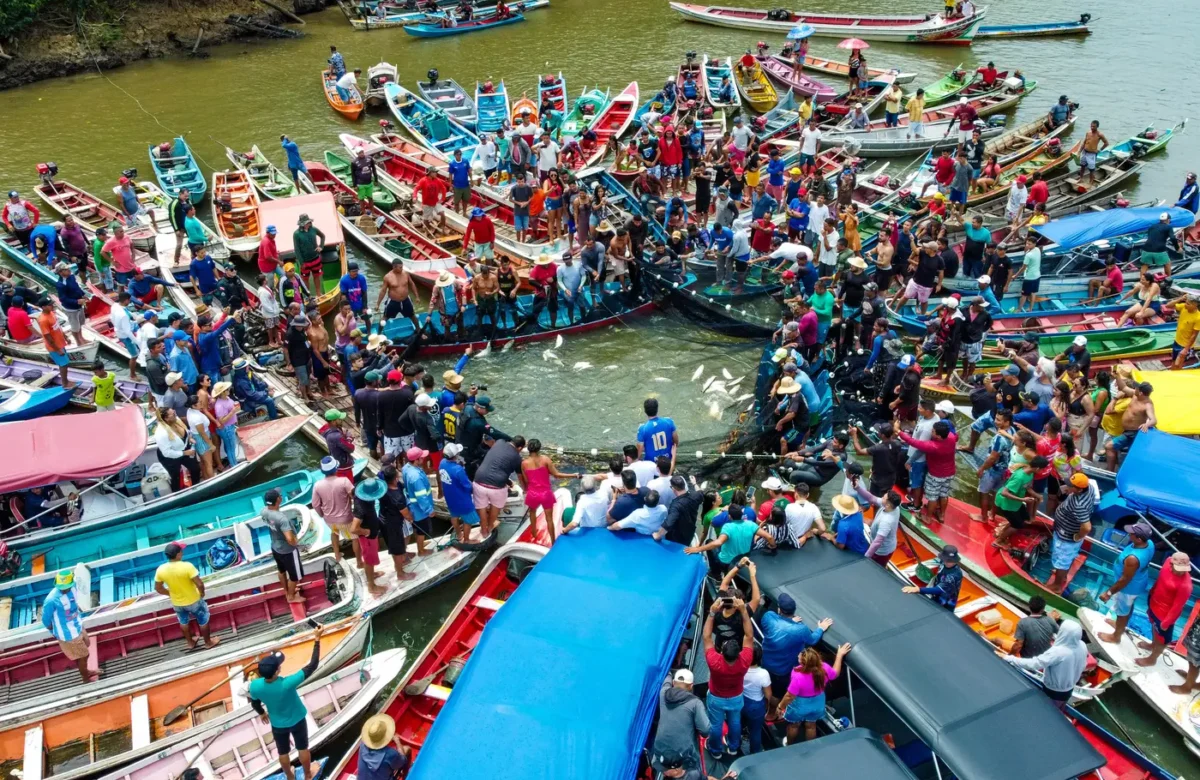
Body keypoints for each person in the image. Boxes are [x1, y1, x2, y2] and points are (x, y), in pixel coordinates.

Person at [248, 625, 326, 780]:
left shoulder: (254, 686)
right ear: (277, 671)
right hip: (297, 719)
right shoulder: (287, 683)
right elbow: (313, 665)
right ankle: (308, 774)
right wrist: (317, 639)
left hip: (278, 724)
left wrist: (262, 713)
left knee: (282, 753)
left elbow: (254, 702)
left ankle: (290, 777)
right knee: (302, 748)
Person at [702, 594, 753, 758]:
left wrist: (711, 613)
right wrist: (744, 612)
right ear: (738, 653)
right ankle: (733, 747)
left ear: (722, 652)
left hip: (717, 697)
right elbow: (749, 637)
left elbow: (707, 637)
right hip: (736, 697)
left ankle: (715, 750)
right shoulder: (745, 661)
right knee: (735, 722)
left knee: (716, 724)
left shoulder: (714, 661)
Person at [773, 643, 851, 744]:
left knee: (794, 725)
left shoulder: (797, 676)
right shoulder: (824, 668)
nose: (798, 656)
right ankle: (810, 746)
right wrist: (839, 655)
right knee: (811, 726)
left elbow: (789, 696)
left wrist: (780, 707)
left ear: (804, 663)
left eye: (799, 657)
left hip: (800, 706)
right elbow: (835, 673)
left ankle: (789, 744)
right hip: (818, 703)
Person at [1000, 621, 1087, 711]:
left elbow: (1034, 664)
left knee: (1048, 712)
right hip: (1068, 690)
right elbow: (1082, 665)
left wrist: (1009, 658)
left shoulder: (1057, 652)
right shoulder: (1082, 646)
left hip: (1053, 692)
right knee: (1059, 712)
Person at [1098, 521, 1156, 645]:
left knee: (1122, 611)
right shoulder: (1149, 543)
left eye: (1132, 534)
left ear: (1139, 539)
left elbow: (1124, 580)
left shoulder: (1132, 559)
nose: (1129, 534)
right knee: (1128, 607)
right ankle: (1120, 625)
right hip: (1139, 582)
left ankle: (1116, 636)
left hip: (1127, 588)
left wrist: (1108, 593)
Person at [154, 541, 219, 649]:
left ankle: (190, 643)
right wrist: (202, 593)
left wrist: (171, 594)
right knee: (203, 620)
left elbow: (158, 588)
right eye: (181, 551)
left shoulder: (161, 569)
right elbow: (199, 583)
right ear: (178, 554)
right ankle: (208, 643)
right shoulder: (187, 566)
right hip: (194, 600)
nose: (182, 552)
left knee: (183, 622)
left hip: (177, 603)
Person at [42, 570, 96, 683]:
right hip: (67, 634)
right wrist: (56, 633)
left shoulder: (74, 585)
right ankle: (85, 677)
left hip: (78, 624)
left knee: (86, 644)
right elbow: (46, 620)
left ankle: (84, 670)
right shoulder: (51, 600)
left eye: (66, 587)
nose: (64, 589)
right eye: (62, 588)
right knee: (84, 655)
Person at [651, 668, 710, 772]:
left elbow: (667, 677)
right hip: (685, 756)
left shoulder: (663, 693)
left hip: (660, 752)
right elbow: (705, 731)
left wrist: (669, 671)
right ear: (691, 686)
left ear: (673, 683)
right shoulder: (696, 703)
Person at [897, 421, 956, 521]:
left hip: (936, 475)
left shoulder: (933, 446)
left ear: (939, 436)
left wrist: (898, 431)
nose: (931, 432)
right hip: (949, 472)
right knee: (943, 494)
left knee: (932, 497)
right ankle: (941, 515)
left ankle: (927, 518)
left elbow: (913, 442)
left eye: (933, 431)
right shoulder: (951, 437)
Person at [1044, 472, 1094, 593]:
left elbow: (1087, 527)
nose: (1067, 486)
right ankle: (1062, 574)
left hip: (1067, 537)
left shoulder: (1079, 505)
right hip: (1066, 531)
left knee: (1062, 561)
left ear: (1079, 490)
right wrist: (1068, 489)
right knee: (1065, 559)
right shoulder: (1089, 487)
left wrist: (1077, 536)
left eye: (1070, 485)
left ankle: (1056, 585)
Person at [311, 456, 359, 565]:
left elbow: (315, 504)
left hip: (329, 520)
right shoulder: (344, 481)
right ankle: (358, 561)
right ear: (336, 469)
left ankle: (337, 555)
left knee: (334, 533)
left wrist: (322, 514)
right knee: (355, 538)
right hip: (346, 518)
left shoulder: (317, 485)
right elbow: (354, 496)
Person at [262, 487, 306, 604]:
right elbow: (290, 538)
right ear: (278, 500)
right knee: (295, 576)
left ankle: (287, 591)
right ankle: (291, 597)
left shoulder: (264, 511)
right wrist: (298, 545)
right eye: (280, 496)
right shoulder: (282, 519)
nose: (281, 497)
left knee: (281, 570)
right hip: (288, 550)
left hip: (275, 547)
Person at [1103, 379, 1156, 469]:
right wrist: (1117, 375)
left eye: (1137, 388)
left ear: (1141, 393)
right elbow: (1123, 387)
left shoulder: (1147, 405)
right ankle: (1110, 470)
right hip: (1126, 431)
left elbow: (1153, 420)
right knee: (1109, 447)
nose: (1135, 389)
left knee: (1116, 449)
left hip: (1133, 434)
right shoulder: (1135, 396)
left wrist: (1146, 425)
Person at [902, 544, 963, 610]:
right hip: (936, 592)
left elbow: (938, 590)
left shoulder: (953, 575)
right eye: (947, 560)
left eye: (951, 561)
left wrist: (918, 589)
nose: (948, 562)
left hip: (945, 601)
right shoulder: (943, 561)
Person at [357, 714, 411, 780]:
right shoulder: (390, 754)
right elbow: (403, 760)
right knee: (407, 749)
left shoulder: (363, 744)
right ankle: (406, 776)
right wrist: (397, 742)